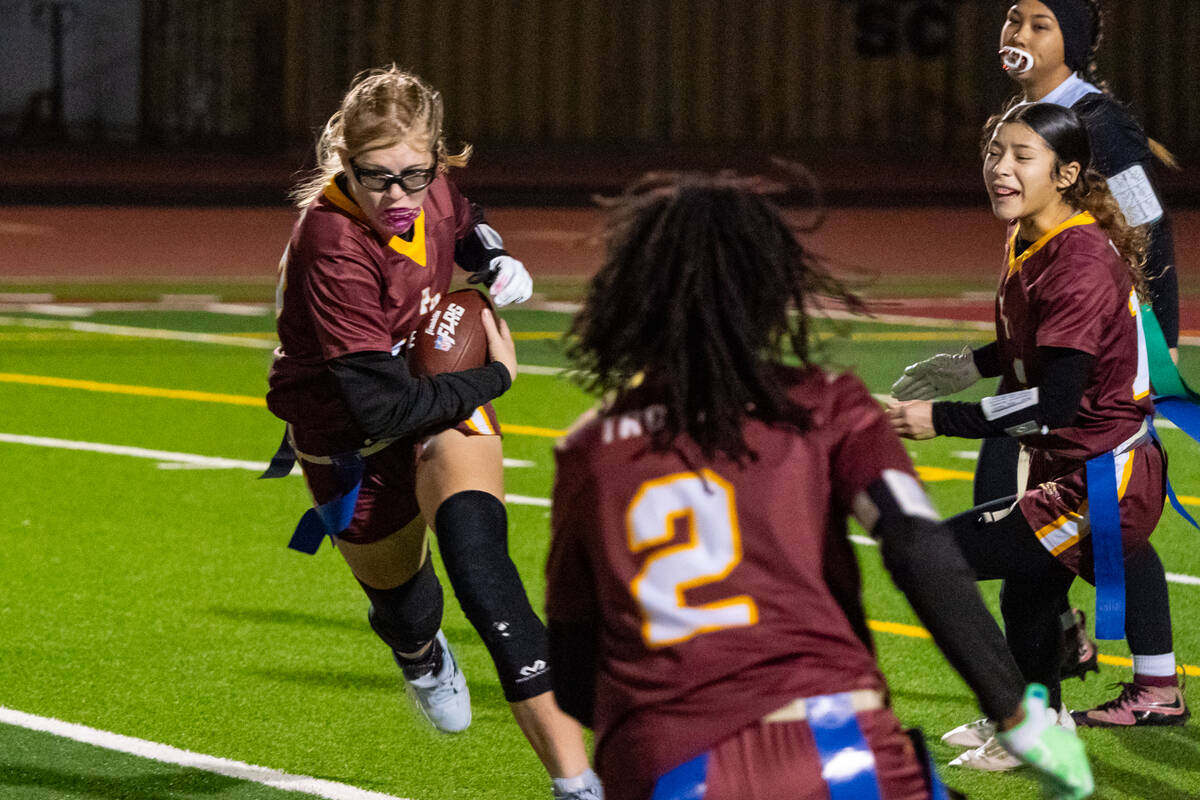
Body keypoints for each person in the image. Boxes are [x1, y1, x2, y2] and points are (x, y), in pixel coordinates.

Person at [544, 171, 1094, 800]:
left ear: (632, 297)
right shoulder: (827, 406)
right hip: (836, 743)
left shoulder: (589, 447)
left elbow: (573, 674)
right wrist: (1017, 713)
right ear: (773, 288)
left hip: (669, 763)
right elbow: (919, 550)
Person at [264, 66, 600, 800]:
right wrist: (498, 378)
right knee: (405, 606)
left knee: (483, 569)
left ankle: (578, 785)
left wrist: (490, 254)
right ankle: (418, 652)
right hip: (351, 435)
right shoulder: (332, 245)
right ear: (341, 163)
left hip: (440, 399)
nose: (397, 196)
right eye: (375, 177)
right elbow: (382, 412)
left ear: (435, 159)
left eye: (414, 175)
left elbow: (463, 213)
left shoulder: (430, 186)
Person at [888, 103, 1188, 770]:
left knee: (937, 558)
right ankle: (1039, 722)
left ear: (1067, 172)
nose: (1000, 168)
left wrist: (940, 419)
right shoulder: (1037, 233)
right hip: (1083, 467)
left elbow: (1054, 404)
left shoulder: (1077, 257)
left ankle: (1028, 721)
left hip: (1100, 482)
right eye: (996, 153)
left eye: (1022, 156)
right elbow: (1039, 344)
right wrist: (970, 363)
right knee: (1028, 593)